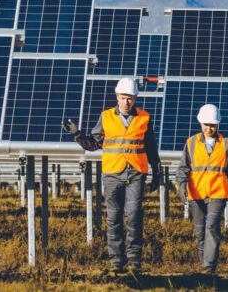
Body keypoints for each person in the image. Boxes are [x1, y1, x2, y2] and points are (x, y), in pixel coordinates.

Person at [63, 77, 160, 275]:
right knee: (114, 217)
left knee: (134, 215)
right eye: (124, 98)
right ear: (117, 96)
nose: (127, 102)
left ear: (135, 99)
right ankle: (116, 260)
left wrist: (156, 172)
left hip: (135, 172)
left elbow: (150, 147)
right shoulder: (106, 117)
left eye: (130, 98)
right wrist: (77, 135)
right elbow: (93, 144)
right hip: (112, 173)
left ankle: (134, 260)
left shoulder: (144, 118)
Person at [175, 103, 228, 275]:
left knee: (212, 227)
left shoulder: (227, 144)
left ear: (217, 125)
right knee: (200, 232)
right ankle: (204, 265)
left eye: (212, 125)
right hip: (196, 193)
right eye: (206, 124)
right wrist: (182, 187)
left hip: (218, 192)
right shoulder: (190, 143)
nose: (209, 128)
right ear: (200, 124)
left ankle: (208, 268)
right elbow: (183, 168)